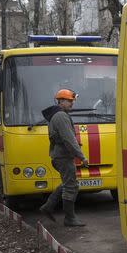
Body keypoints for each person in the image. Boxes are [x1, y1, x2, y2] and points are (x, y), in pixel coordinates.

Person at [40, 89, 88, 227]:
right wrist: (82, 156)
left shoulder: (58, 115)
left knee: (68, 182)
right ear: (61, 101)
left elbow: (66, 139)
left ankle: (48, 207)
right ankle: (70, 218)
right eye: (70, 101)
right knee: (70, 186)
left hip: (60, 155)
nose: (72, 103)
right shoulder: (61, 116)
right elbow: (69, 139)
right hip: (63, 156)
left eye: (72, 101)